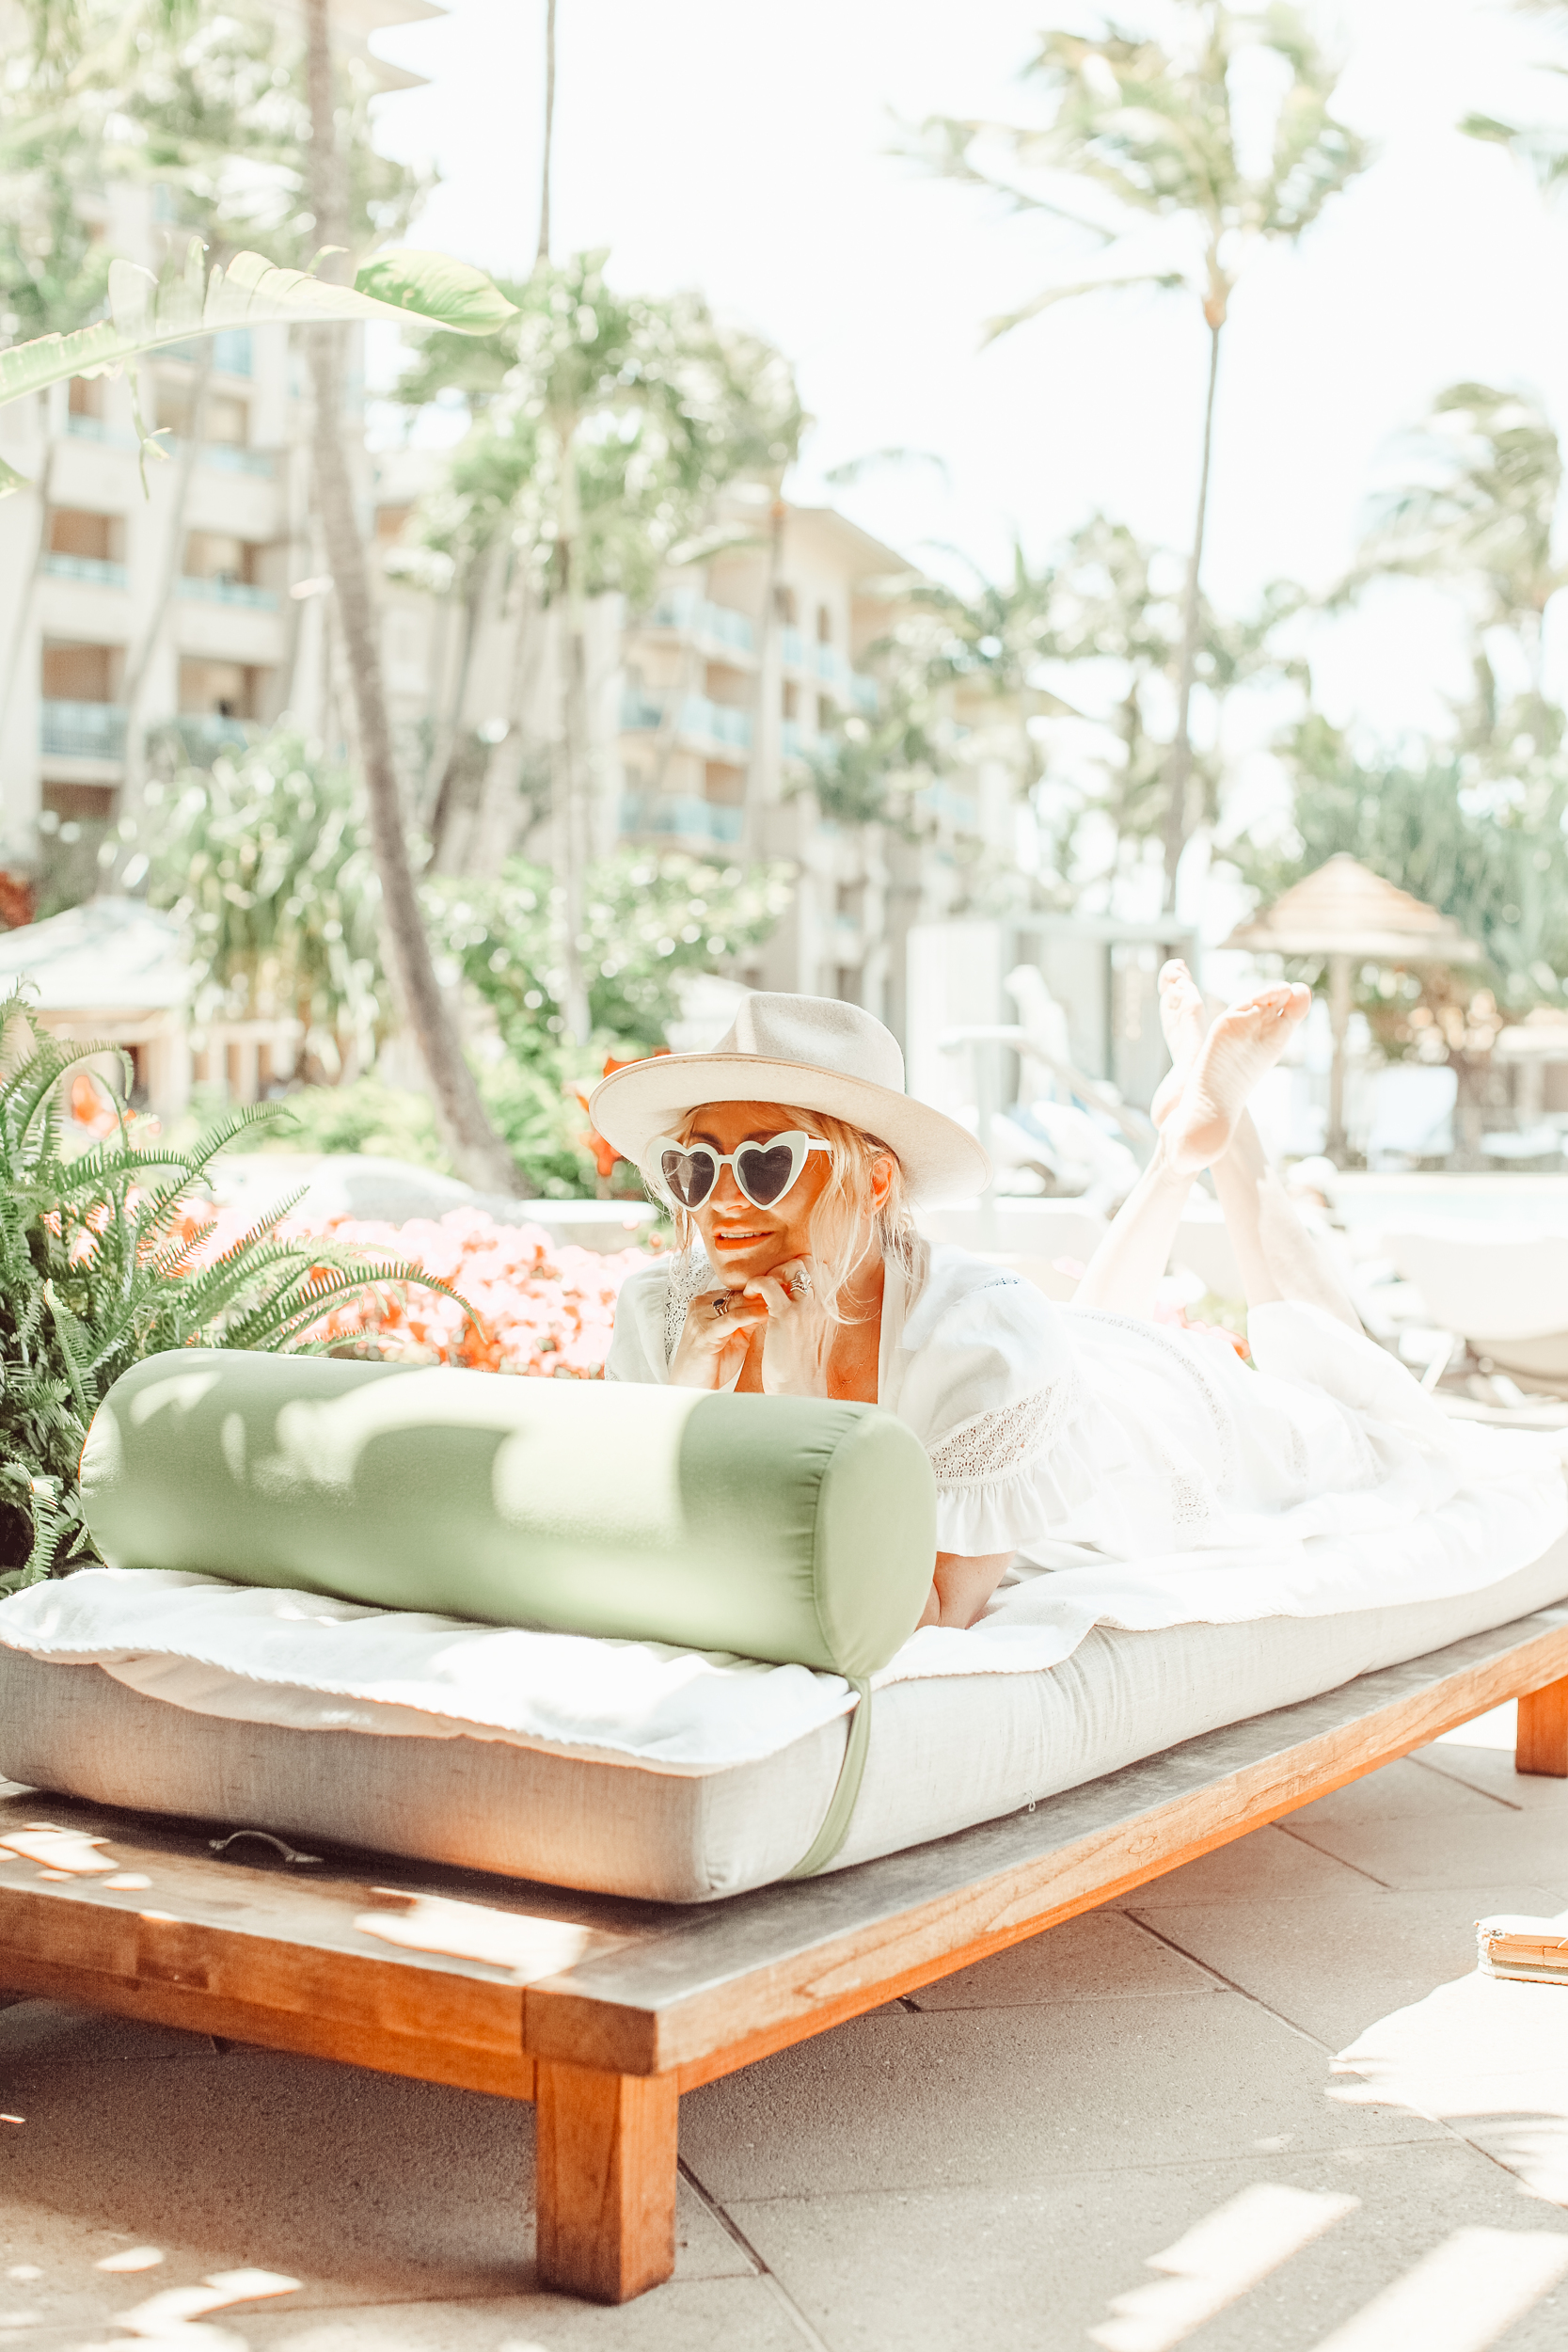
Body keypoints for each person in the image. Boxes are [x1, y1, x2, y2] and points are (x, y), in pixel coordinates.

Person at [592, 976, 1461, 1631]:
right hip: (1063, 1358)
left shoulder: (982, 1335)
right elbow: (615, 1534)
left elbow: (931, 1611)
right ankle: (1180, 1149)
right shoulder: (663, 1319)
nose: (720, 1201)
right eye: (695, 1165)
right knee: (1084, 1331)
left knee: (1374, 1421)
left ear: (877, 1178)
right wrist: (686, 1397)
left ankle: (1234, 1152)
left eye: (765, 1161)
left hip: (1157, 1438)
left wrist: (757, 1421)